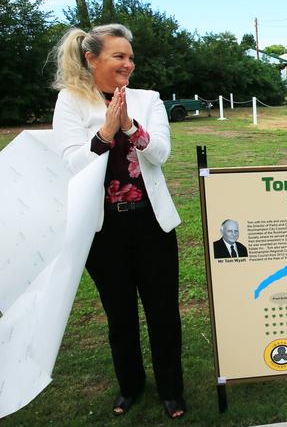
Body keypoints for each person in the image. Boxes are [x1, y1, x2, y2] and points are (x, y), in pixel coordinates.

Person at [51, 24, 186, 419]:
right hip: (102, 230)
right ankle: (130, 386)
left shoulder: (149, 99)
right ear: (92, 59)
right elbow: (73, 164)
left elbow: (161, 153)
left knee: (163, 311)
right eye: (119, 56)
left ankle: (172, 389)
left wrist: (129, 126)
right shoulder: (71, 102)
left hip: (151, 224)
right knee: (120, 314)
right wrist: (106, 130)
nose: (129, 63)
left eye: (130, 56)